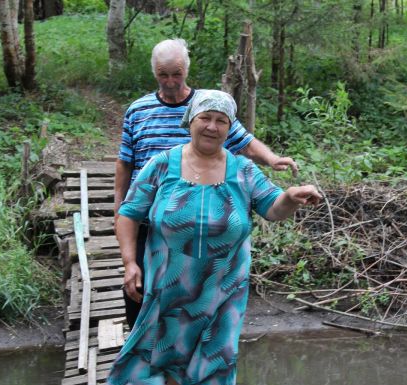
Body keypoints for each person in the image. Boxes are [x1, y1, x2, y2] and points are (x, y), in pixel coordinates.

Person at [106, 90, 321, 385]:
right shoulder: (162, 164)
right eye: (205, 118)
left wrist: (290, 195)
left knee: (220, 354)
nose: (212, 126)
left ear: (229, 128)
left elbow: (272, 208)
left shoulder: (243, 169)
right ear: (190, 120)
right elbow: (128, 213)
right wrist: (130, 263)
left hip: (224, 285)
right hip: (172, 280)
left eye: (221, 121)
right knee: (174, 349)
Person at [115, 38, 298, 329]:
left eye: (177, 74)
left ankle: (189, 354)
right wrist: (121, 211)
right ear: (154, 73)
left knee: (193, 303)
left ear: (186, 70)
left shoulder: (209, 105)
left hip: (201, 220)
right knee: (140, 295)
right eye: (164, 75)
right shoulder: (138, 110)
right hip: (150, 215)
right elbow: (125, 162)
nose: (171, 81)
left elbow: (245, 141)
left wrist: (272, 159)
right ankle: (145, 353)